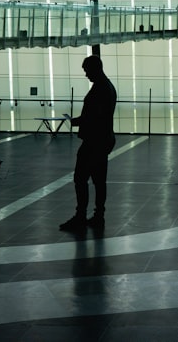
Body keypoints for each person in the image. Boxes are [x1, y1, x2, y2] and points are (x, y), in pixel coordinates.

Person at [60, 54, 117, 231]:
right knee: (99, 181)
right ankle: (98, 215)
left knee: (80, 178)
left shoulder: (100, 89)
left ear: (95, 69)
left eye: (87, 71)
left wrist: (78, 121)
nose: (86, 75)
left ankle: (81, 215)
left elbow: (94, 117)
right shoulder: (107, 87)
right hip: (102, 140)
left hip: (94, 141)